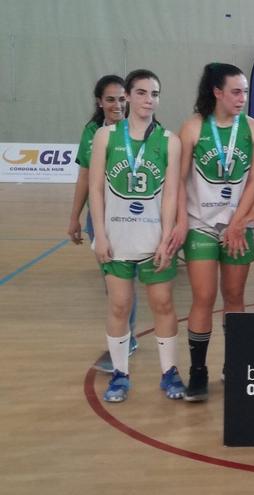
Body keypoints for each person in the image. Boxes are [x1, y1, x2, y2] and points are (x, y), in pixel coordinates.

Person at [170, 63, 254, 401]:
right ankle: (198, 371)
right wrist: (181, 221)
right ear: (217, 92)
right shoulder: (193, 127)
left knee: (235, 297)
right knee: (204, 296)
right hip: (201, 224)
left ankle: (234, 365)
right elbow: (179, 181)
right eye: (236, 91)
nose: (243, 98)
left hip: (238, 225)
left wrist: (239, 222)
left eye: (245, 91)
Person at [88, 69, 182, 402]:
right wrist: (100, 234)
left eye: (154, 93)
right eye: (141, 93)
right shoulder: (106, 136)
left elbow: (171, 194)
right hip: (116, 238)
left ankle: (169, 373)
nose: (149, 100)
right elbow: (95, 188)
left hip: (153, 239)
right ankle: (120, 374)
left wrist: (167, 237)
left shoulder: (170, 140)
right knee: (119, 305)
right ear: (127, 96)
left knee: (163, 303)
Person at [68, 75, 140, 372]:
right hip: (100, 220)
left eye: (122, 98)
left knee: (125, 286)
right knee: (115, 286)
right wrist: (74, 216)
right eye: (110, 99)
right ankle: (125, 337)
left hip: (135, 219)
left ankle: (128, 338)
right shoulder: (92, 131)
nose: (118, 104)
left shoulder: (144, 130)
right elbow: (85, 176)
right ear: (99, 101)